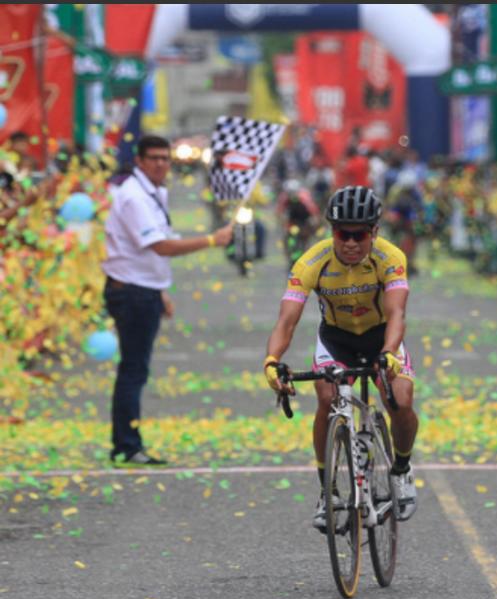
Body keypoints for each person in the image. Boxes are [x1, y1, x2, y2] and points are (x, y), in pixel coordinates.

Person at [263, 185, 420, 529]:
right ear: (331, 230)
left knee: (401, 400)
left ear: (374, 232)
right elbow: (286, 319)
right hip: (337, 340)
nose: (350, 242)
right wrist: (272, 360)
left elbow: (397, 314)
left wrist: (390, 354)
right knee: (327, 399)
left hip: (382, 338)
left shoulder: (390, 258)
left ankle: (402, 470)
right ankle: (329, 491)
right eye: (341, 233)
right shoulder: (311, 262)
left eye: (359, 234)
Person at [101, 135, 234, 465]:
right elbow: (159, 246)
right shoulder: (134, 197)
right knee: (133, 370)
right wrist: (210, 240)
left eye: (165, 158)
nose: (161, 163)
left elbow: (148, 249)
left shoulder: (153, 192)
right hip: (131, 291)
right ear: (140, 162)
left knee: (136, 369)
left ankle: (126, 442)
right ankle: (127, 445)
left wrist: (160, 290)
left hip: (143, 288)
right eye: (154, 158)